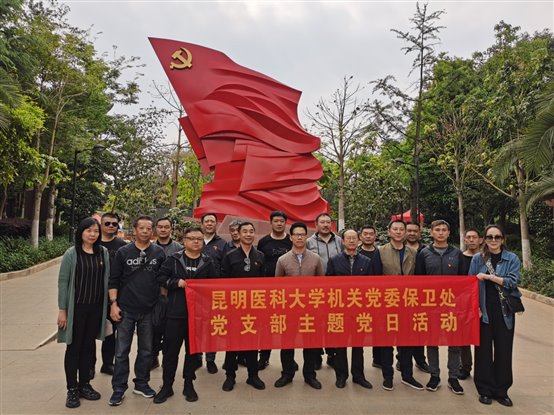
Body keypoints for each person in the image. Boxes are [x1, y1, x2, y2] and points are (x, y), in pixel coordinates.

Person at [154, 227, 217, 404]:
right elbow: (160, 277)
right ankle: (167, 386)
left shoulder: (208, 261)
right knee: (170, 352)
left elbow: (214, 284)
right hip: (175, 314)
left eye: (199, 239)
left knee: (193, 352)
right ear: (184, 240)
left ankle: (188, 384)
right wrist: (175, 283)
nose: (196, 241)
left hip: (197, 316)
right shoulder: (173, 259)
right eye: (192, 238)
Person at [108, 216, 166, 406]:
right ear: (135, 229)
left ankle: (141, 383)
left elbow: (162, 280)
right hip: (126, 309)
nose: (145, 231)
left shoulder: (159, 252)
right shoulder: (123, 252)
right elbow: (113, 280)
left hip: (148, 310)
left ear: (153, 230)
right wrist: (113, 304)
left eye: (149, 228)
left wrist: (162, 303)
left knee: (146, 350)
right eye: (141, 228)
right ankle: (118, 388)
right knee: (121, 351)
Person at [57, 218, 110, 408]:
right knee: (74, 347)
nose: (92, 234)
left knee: (88, 347)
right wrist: (62, 310)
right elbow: (63, 282)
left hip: (96, 309)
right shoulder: (71, 254)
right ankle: (72, 389)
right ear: (81, 232)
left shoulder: (102, 253)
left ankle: (85, 384)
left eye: (96, 231)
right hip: (76, 309)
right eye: (89, 230)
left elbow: (107, 279)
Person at [469, 225, 521, 407]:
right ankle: (484, 390)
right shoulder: (477, 259)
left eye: (497, 237)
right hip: (483, 312)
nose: (493, 240)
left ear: (502, 239)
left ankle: (501, 390)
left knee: (504, 351)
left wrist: (489, 277)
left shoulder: (511, 258)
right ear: (484, 239)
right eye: (489, 237)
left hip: (504, 312)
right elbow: (471, 284)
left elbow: (514, 281)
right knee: (483, 352)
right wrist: (475, 307)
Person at [415, 219, 465, 395]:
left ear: (449, 233)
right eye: (437, 229)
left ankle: (453, 377)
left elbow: (463, 281)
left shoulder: (457, 254)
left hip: (452, 305)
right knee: (432, 341)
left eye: (444, 229)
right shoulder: (424, 254)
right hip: (431, 305)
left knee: (454, 342)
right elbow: (418, 281)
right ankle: (434, 376)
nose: (441, 232)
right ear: (431, 233)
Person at [274, 222, 325, 390]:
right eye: (296, 234)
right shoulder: (282, 260)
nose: (300, 237)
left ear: (306, 236)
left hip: (310, 310)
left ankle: (310, 375)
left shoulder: (316, 259)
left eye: (302, 234)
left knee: (310, 344)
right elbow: (277, 287)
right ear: (291, 237)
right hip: (289, 310)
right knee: (287, 344)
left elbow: (321, 285)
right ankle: (287, 374)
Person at [376, 219, 423, 392]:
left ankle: (407, 375)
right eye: (394, 229)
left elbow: (419, 278)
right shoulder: (380, 252)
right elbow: (374, 279)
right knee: (386, 342)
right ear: (388, 232)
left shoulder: (413, 252)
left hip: (408, 303)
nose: (398, 232)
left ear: (405, 232)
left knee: (407, 342)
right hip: (387, 303)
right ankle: (387, 377)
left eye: (401, 229)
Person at [220, 222, 267, 392]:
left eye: (251, 231)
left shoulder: (260, 256)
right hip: (234, 307)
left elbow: (264, 282)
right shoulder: (230, 256)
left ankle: (252, 375)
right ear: (238, 235)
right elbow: (222, 281)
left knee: (252, 342)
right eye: (244, 231)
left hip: (254, 306)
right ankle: (230, 376)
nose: (248, 234)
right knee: (232, 343)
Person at [326, 229, 374, 390]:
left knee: (358, 345)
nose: (352, 241)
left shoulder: (366, 261)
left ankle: (358, 376)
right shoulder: (334, 260)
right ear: (343, 241)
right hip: (340, 309)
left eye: (354, 238)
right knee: (340, 345)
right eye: (348, 238)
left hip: (359, 310)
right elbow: (328, 286)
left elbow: (371, 287)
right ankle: (341, 376)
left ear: (359, 240)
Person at [91, 212, 127, 378]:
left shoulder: (122, 246)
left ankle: (107, 363)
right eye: (107, 223)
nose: (111, 226)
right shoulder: (93, 243)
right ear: (101, 225)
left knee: (111, 333)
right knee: (90, 333)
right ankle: (89, 365)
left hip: (115, 297)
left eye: (114, 224)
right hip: (93, 295)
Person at [256, 210, 292, 370]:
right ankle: (264, 357)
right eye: (276, 221)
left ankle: (289, 360)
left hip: (288, 292)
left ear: (285, 223)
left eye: (281, 221)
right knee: (267, 326)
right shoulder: (263, 242)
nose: (279, 224)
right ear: (271, 223)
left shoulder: (291, 241)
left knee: (288, 327)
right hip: (268, 291)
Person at [306, 213, 343, 368]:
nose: (326, 225)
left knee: (332, 322)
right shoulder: (309, 242)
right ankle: (316, 355)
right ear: (316, 224)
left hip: (335, 289)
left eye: (328, 222)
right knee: (316, 322)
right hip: (316, 289)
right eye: (322, 222)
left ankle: (332, 354)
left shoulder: (339, 241)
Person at [151, 217, 183, 370]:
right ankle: (153, 357)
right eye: (160, 227)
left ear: (171, 229)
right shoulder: (150, 247)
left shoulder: (179, 248)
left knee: (170, 332)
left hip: (173, 296)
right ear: (156, 229)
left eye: (166, 227)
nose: (163, 229)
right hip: (154, 296)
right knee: (154, 329)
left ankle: (167, 359)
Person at [401, 222, 430, 374]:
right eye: (409, 231)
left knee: (419, 329)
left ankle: (420, 360)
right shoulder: (399, 248)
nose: (412, 233)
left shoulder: (425, 250)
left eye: (415, 231)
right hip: (401, 296)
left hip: (421, 297)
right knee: (402, 329)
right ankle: (401, 359)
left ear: (420, 232)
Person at [200, 212, 226, 374]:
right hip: (195, 292)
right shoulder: (195, 239)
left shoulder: (222, 244)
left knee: (212, 327)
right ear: (202, 224)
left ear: (216, 224)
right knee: (196, 325)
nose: (209, 224)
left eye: (212, 221)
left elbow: (225, 267)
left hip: (214, 293)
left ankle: (210, 358)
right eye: (207, 221)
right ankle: (195, 356)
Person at [358, 225, 385, 370]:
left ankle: (378, 359)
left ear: (375, 236)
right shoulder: (355, 252)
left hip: (378, 298)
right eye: (365, 234)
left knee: (379, 329)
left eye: (371, 234)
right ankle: (358, 366)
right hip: (359, 299)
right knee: (360, 331)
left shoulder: (381, 253)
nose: (368, 236)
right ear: (360, 236)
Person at [459, 228, 483, 380]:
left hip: (483, 302)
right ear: (465, 240)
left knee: (483, 337)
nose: (472, 240)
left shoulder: (486, 258)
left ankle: (482, 369)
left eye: (475, 237)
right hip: (463, 303)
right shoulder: (459, 258)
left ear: (481, 240)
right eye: (469, 237)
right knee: (464, 337)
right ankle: (465, 367)